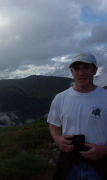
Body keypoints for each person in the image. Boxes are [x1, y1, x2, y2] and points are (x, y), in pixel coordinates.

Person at [47, 52, 107, 180]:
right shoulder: (60, 98)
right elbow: (53, 124)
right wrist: (57, 139)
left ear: (94, 70)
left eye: (86, 67)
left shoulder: (105, 97)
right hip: (68, 164)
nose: (81, 73)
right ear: (71, 72)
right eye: (77, 68)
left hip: (101, 164)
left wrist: (104, 150)